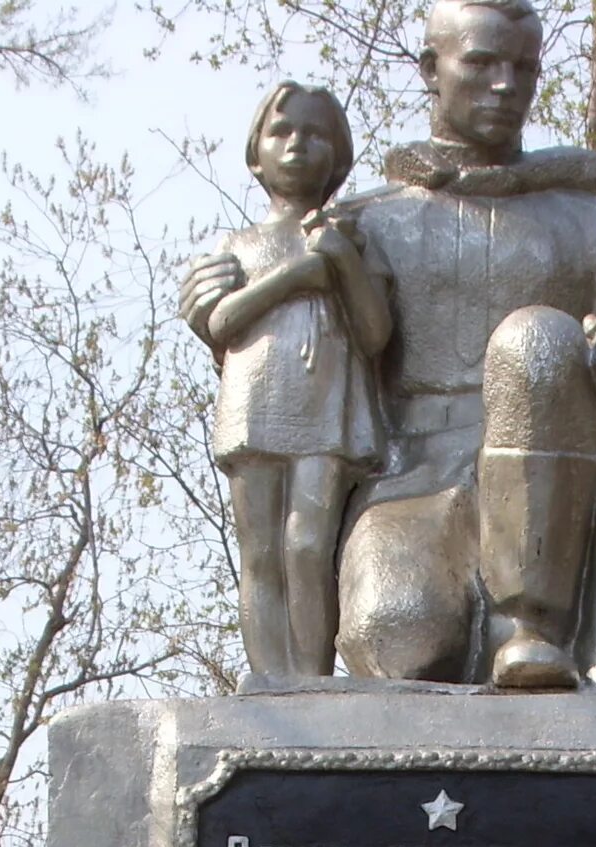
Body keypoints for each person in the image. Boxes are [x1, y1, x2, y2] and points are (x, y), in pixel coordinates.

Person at [320, 0, 596, 688]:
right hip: (412, 485)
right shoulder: (374, 222)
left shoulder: (586, 220)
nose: (505, 85)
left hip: (557, 498)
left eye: (523, 68)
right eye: (482, 62)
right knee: (396, 638)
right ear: (432, 69)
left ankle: (532, 630)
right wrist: (234, 302)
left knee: (537, 337)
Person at [180, 82, 391, 683]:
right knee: (261, 551)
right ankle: (269, 683)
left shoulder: (353, 239)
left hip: (327, 407)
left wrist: (340, 261)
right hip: (254, 400)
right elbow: (221, 321)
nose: (297, 145)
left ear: (340, 156)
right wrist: (298, 273)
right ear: (256, 154)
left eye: (316, 134)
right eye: (282, 132)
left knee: (308, 547)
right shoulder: (237, 246)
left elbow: (375, 333)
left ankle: (310, 681)